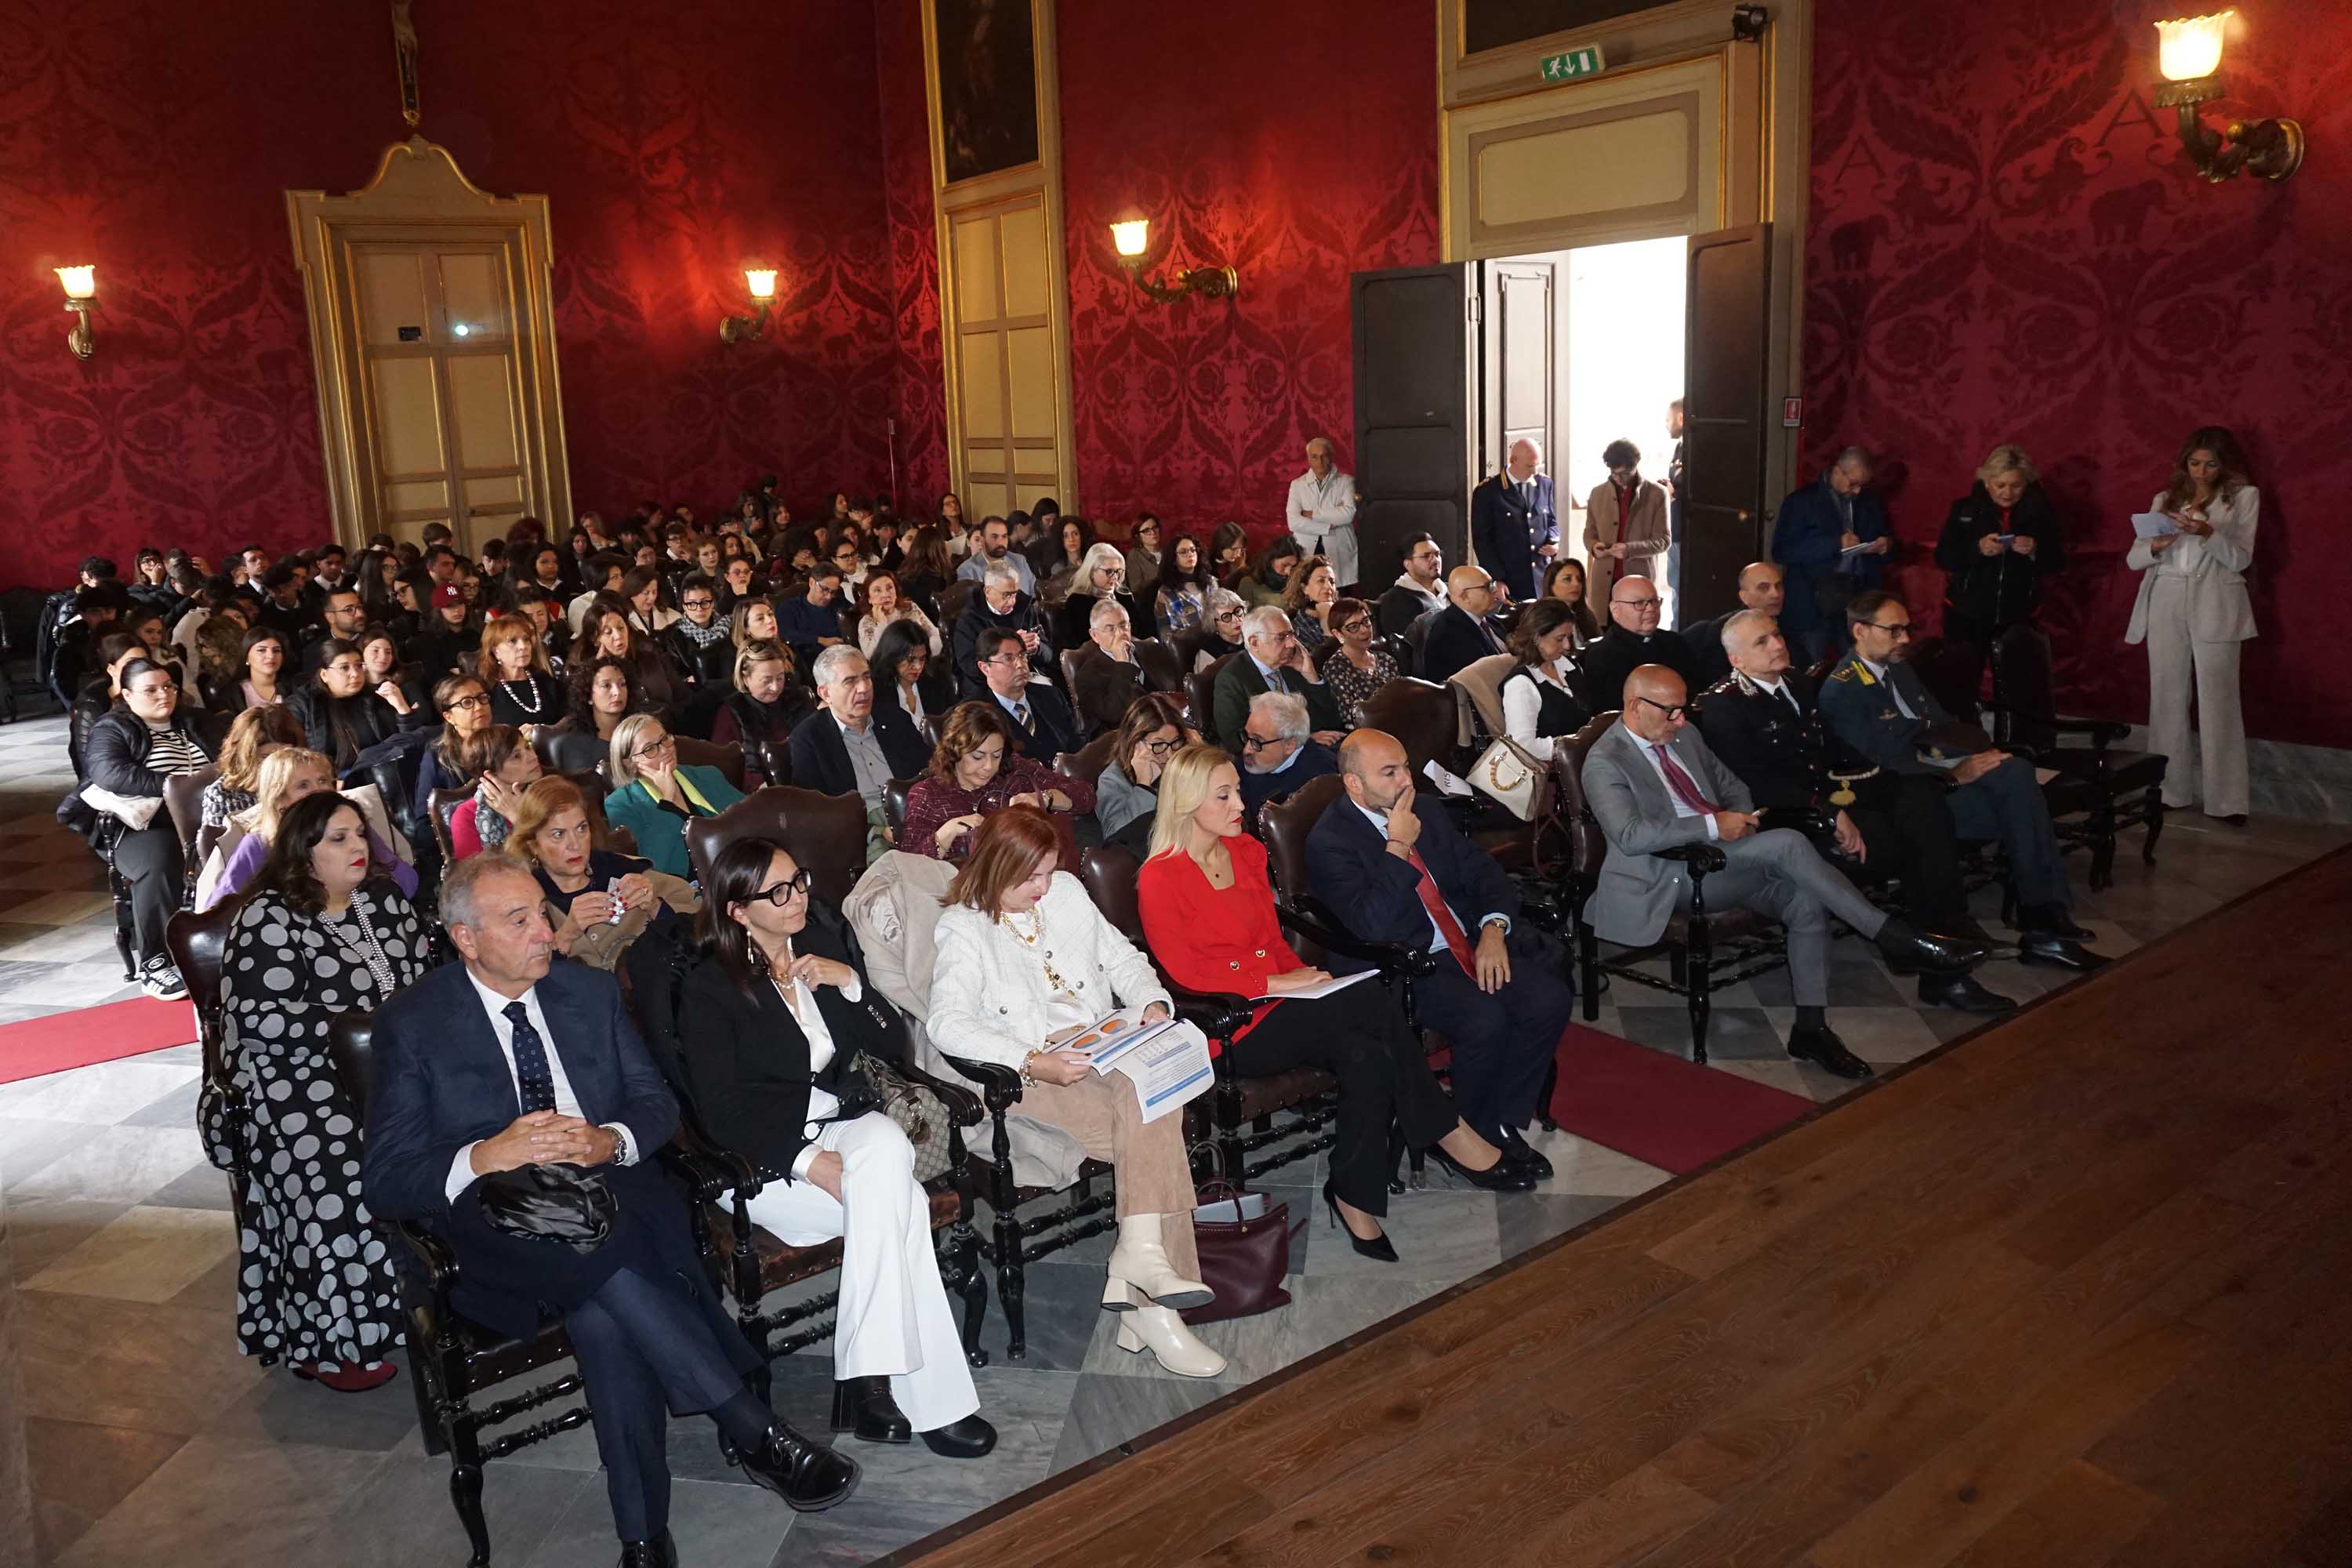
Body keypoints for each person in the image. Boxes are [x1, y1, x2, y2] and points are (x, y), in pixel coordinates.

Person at [364, 855, 860, 1561]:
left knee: (606, 1306)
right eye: (520, 920)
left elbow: (654, 1104)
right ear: (464, 939)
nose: (546, 930)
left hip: (612, 1194)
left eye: (542, 911)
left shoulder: (585, 992)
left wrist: (610, 1141)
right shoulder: (414, 1024)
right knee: (616, 1271)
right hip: (499, 1220)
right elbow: (385, 1178)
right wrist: (485, 1156)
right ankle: (750, 1427)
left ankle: (644, 1538)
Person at [1138, 747, 1528, 1260]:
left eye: (1238, 789)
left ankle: (1352, 1195)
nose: (1241, 803)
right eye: (1226, 795)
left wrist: (1303, 975)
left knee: (1364, 1052)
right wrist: (1279, 983)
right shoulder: (1160, 877)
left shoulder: (1246, 853)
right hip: (1232, 1027)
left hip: (1288, 1006)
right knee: (1369, 996)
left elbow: (1272, 939)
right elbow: (1187, 974)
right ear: (1189, 803)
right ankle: (1450, 1133)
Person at [674, 839, 996, 1455]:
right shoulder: (710, 988)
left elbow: (894, 1046)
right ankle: (930, 1403)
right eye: (779, 892)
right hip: (767, 1162)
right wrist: (804, 1161)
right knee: (896, 1200)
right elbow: (720, 1112)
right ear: (739, 911)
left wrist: (850, 983)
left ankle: (869, 1381)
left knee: (882, 1143)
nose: (798, 897)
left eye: (799, 881)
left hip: (843, 1130)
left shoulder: (815, 953)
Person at [927, 808, 1228, 1377]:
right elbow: (948, 1023)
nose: (1044, 888)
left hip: (1102, 1044)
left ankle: (1139, 1269)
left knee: (1150, 1102)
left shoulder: (1065, 892)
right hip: (1036, 1068)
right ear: (994, 868)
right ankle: (1150, 1298)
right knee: (1155, 1122)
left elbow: (1122, 958)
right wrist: (1031, 1059)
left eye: (1048, 873)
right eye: (1030, 878)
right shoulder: (964, 927)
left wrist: (1151, 1003)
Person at [1583, 665, 1989, 1079]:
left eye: (1683, 710)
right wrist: (1712, 826)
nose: (1681, 720)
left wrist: (1741, 820)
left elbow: (1733, 784)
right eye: (1671, 712)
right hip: (1673, 874)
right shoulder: (1606, 760)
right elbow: (1630, 836)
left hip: (1728, 855)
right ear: (1635, 706)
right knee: (1790, 843)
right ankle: (1895, 936)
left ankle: (1811, 1029)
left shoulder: (1684, 735)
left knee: (1806, 901)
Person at [1696, 609, 2014, 1013]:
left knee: (1921, 798)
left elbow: (1831, 748)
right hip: (1785, 815)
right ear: (1736, 660)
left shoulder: (1795, 681)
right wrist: (1828, 811)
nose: (1778, 644)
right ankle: (1940, 965)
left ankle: (1946, 934)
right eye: (1762, 642)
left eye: (1776, 634)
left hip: (1829, 791)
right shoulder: (1726, 706)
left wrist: (1883, 775)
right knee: (1906, 838)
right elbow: (1755, 783)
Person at [220, 790, 430, 1392]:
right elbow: (261, 1023)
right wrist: (365, 1027)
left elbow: (420, 983)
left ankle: (442, 1299)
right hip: (295, 1080)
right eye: (338, 839)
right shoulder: (268, 917)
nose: (359, 847)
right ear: (302, 852)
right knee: (342, 1172)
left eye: (360, 834)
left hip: (392, 1069)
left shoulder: (385, 902)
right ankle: (333, 1341)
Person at [1309, 729, 1573, 1159]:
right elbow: (1371, 926)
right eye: (1390, 773)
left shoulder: (1427, 810)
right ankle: (1468, 1139)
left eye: (1406, 768)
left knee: (1548, 1000)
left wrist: (1493, 929)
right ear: (1354, 783)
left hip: (1464, 943)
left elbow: (1483, 873)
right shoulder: (1331, 841)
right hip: (1399, 966)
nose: (1406, 782)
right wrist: (1398, 845)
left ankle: (1501, 1121)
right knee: (1484, 1018)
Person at [1819, 591, 2107, 970]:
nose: (1905, 639)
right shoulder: (1843, 690)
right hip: (1912, 796)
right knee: (2020, 802)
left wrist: (1973, 757)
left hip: (1937, 772)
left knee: (2015, 773)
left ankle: (2042, 917)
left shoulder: (1899, 669)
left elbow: (1940, 725)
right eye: (1894, 631)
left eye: (1907, 629)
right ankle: (2042, 917)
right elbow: (1886, 767)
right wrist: (1954, 775)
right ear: (1860, 631)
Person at [2125, 426, 2257, 825]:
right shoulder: (2165, 499)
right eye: (2195, 463)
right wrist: (2156, 545)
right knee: (2166, 694)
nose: (2201, 471)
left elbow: (2241, 558)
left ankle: (2228, 800)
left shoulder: (2244, 496)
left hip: (2216, 599)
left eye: (2210, 464)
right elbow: (2134, 559)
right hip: (2165, 597)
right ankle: (2169, 789)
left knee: (2219, 699)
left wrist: (2206, 531)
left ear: (2224, 464)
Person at [84, 658, 215, 998]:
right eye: (151, 690)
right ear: (127, 695)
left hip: (209, 817)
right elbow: (110, 773)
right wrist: (180, 788)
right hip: (142, 825)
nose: (164, 695)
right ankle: (155, 961)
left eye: (169, 687)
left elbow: (230, 758)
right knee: (160, 862)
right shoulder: (112, 728)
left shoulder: (193, 720)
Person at [503, 775, 694, 971]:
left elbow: (697, 926)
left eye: (581, 829)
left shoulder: (621, 869)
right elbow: (520, 977)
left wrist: (655, 905)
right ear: (533, 845)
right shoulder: (524, 901)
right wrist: (566, 935)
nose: (575, 844)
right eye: (558, 834)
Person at [199, 746, 417, 912]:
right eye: (303, 786)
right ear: (279, 799)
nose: (320, 791)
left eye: (323, 781)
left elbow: (407, 884)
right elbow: (217, 912)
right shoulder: (258, 845)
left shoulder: (355, 831)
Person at [1933, 445, 2066, 675]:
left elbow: (2057, 562)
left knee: (2018, 685)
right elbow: (1943, 557)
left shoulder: (2041, 513)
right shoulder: (1964, 509)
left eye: (2016, 485)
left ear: (2027, 484)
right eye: (2000, 485)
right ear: (1987, 483)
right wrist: (1977, 549)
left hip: (2019, 615)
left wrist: (2035, 550)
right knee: (1960, 680)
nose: (2007, 493)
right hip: (1966, 613)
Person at [903, 702, 1092, 862]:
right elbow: (908, 867)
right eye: (978, 757)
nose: (989, 766)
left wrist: (1044, 798)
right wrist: (945, 834)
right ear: (954, 751)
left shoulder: (1013, 770)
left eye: (996, 755)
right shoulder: (928, 795)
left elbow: (1086, 795)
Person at [790, 647, 932, 857]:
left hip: (911, 815)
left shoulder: (895, 718)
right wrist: (874, 832)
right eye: (850, 682)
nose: (864, 688)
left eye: (866, 677)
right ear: (825, 693)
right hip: (860, 831)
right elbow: (815, 811)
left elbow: (927, 773)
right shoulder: (809, 738)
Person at [1771, 445, 1891, 662]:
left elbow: (1887, 538)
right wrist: (1835, 544)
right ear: (1837, 471)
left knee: (1860, 666)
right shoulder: (1801, 502)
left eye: (1862, 485)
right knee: (1810, 666)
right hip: (1813, 600)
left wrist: (1885, 546)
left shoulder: (1870, 501)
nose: (1857, 491)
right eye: (1853, 484)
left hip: (1857, 599)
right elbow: (1782, 551)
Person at [602, 713, 745, 879]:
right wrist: (667, 801)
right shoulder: (621, 805)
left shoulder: (708, 776)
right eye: (650, 749)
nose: (665, 750)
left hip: (739, 868)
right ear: (630, 763)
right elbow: (653, 868)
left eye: (664, 739)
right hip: (688, 891)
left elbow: (751, 815)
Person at [1210, 605, 1345, 753]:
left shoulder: (1292, 662)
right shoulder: (1231, 680)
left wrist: (1311, 676)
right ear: (1255, 643)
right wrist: (1304, 740)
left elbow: (1332, 721)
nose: (1291, 644)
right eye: (1281, 637)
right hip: (1277, 761)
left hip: (1321, 748)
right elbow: (1236, 742)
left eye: (1292, 634)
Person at [291, 639, 421, 779]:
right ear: (324, 675)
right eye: (344, 668)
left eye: (359, 666)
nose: (355, 673)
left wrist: (402, 709)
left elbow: (410, 746)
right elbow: (293, 758)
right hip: (331, 783)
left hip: (382, 776)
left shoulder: (375, 697)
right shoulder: (303, 705)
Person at [1579, 575, 1697, 710]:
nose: (1651, 609)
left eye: (1654, 601)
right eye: (1640, 603)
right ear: (1615, 610)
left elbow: (1695, 692)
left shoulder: (1675, 642)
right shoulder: (1602, 656)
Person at [1500, 599, 1595, 761]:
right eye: (1559, 639)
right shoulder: (1521, 685)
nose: (1567, 645)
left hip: (1584, 759)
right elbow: (1522, 746)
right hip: (1557, 774)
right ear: (1536, 637)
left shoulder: (1569, 666)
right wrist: (1575, 743)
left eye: (1569, 637)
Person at [971, 626, 1083, 764]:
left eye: (1022, 655)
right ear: (985, 668)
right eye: (1008, 658)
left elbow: (1077, 745)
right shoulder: (975, 717)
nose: (1020, 664)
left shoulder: (1050, 695)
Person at [1581, 439, 1671, 607]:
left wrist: (1630, 549)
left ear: (1635, 466)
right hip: (1603, 582)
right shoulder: (1597, 493)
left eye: (1624, 474)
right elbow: (1589, 532)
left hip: (1639, 579)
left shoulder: (1657, 494)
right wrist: (1593, 546)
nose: (1618, 479)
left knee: (1637, 628)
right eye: (1614, 473)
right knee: (1602, 630)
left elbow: (1664, 541)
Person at [1468, 437, 1559, 601]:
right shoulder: (1488, 491)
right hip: (1511, 581)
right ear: (1513, 460)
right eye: (1530, 466)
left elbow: (1551, 520)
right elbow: (1482, 541)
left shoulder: (1544, 483)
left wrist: (1553, 542)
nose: (1535, 472)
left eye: (1538, 465)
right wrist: (1497, 578)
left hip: (1542, 578)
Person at [1094, 693, 1188, 848]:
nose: (1170, 755)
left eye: (1176, 742)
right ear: (1135, 743)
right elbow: (1115, 834)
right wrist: (1143, 785)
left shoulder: (1182, 762)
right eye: (1159, 745)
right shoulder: (1112, 779)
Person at [710, 641, 811, 783]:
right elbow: (726, 767)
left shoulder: (798, 698)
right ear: (746, 678)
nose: (776, 687)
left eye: (780, 678)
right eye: (767, 680)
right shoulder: (731, 712)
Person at [1236, 691, 1339, 825]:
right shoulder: (1244, 764)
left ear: (1290, 745)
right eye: (1247, 736)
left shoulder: (1319, 784)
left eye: (1257, 741)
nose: (1247, 749)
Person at [1680, 561, 1787, 690]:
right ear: (1744, 596)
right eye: (1764, 587)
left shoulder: (1789, 624)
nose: (1775, 594)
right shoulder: (1725, 631)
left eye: (1778, 586)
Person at [951, 561, 1052, 694]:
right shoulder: (969, 619)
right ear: (988, 591)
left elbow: (1049, 656)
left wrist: (1036, 648)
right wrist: (1009, 652)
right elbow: (970, 667)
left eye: (1015, 593)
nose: (1013, 601)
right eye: (1006, 595)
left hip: (1028, 679)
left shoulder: (1025, 608)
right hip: (988, 687)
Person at [202, 703, 307, 829]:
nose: (278, 765)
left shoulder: (307, 783)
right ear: (245, 757)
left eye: (286, 755)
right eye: (266, 757)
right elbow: (219, 847)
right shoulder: (222, 795)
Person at [449, 724, 545, 862]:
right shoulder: (467, 816)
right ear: (490, 772)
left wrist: (518, 817)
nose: (533, 757)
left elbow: (562, 851)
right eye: (517, 756)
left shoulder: (550, 791)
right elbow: (475, 877)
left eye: (528, 747)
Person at [412, 674, 495, 823]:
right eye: (466, 702)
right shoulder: (436, 757)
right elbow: (425, 819)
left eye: (482, 698)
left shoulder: (507, 738)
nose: (479, 707)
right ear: (449, 717)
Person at [1283, 437, 1360, 586]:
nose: (1320, 461)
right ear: (1308, 459)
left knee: (1339, 596)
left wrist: (1312, 515)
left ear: (1331, 457)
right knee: (1310, 592)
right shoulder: (1298, 485)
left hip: (1340, 547)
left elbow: (1348, 514)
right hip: (1307, 548)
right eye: (1315, 457)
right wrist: (1328, 524)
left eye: (1324, 456)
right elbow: (1293, 523)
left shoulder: (1346, 482)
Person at [1420, 565, 1510, 686]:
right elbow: (1486, 676)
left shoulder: (1490, 622)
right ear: (1465, 596)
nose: (1495, 590)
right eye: (1487, 587)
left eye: (1492, 584)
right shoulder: (1449, 634)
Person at [1069, 597, 1146, 736]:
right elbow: (1116, 715)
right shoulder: (1088, 675)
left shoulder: (1150, 650)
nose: (1120, 634)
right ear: (1094, 635)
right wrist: (1123, 663)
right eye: (1110, 629)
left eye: (1124, 626)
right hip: (1126, 737)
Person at [477, 612, 564, 731]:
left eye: (526, 639)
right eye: (512, 641)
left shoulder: (543, 679)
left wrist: (548, 730)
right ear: (495, 650)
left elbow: (572, 715)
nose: (523, 646)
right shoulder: (485, 689)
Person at [1319, 596, 1396, 729]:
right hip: (1366, 734)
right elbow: (1350, 716)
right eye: (1353, 627)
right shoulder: (1336, 667)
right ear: (1338, 634)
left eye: (1366, 621)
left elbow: (1402, 697)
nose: (1364, 630)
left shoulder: (1386, 659)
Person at [1051, 543, 1138, 651]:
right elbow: (1079, 646)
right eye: (1109, 572)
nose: (1115, 578)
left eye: (1117, 572)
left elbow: (1141, 634)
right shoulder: (1077, 602)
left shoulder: (1124, 597)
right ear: (1092, 572)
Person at [869, 619, 944, 732]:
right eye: (910, 660)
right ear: (893, 656)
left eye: (922, 659)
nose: (918, 667)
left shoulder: (935, 678)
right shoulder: (876, 691)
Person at [663, 572, 735, 689]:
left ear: (713, 603)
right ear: (684, 606)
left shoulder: (730, 627)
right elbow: (678, 677)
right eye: (692, 604)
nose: (699, 609)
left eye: (705, 602)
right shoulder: (674, 637)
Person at [855, 568, 943, 658]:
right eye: (878, 590)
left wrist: (919, 653)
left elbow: (935, 635)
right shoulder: (867, 622)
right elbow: (871, 657)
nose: (886, 595)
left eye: (889, 588)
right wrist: (881, 624)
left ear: (896, 593)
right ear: (869, 599)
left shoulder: (910, 608)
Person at [205, 626, 291, 715]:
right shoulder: (231, 694)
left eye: (276, 651)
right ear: (247, 657)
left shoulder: (295, 687)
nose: (271, 656)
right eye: (262, 650)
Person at [1378, 534, 1447, 637]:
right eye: (1426, 556)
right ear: (1408, 564)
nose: (1436, 560)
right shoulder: (1396, 599)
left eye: (1437, 554)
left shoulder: (1451, 589)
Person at [953, 515, 1036, 595]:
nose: (1000, 542)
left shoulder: (1020, 561)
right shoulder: (967, 570)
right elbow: (971, 606)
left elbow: (1035, 594)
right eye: (994, 537)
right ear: (982, 540)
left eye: (1004, 537)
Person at [1152, 535, 1214, 636]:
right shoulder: (1165, 592)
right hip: (1187, 646)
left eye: (1193, 550)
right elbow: (1164, 630)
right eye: (1183, 552)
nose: (1190, 554)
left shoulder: (1211, 582)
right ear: (1173, 558)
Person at [1282, 554, 1341, 657]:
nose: (1329, 586)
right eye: (1321, 581)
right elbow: (1325, 660)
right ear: (1304, 588)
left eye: (1332, 582)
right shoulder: (1299, 627)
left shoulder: (1344, 614)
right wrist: (1326, 622)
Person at [1540, 556, 1601, 649]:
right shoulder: (1541, 618)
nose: (1576, 584)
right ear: (1551, 584)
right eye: (1567, 579)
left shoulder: (1587, 616)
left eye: (1579, 579)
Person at [1236, 537, 1303, 611]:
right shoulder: (1248, 583)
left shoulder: (1295, 583)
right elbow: (1243, 616)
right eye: (1285, 565)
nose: (1289, 572)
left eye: (1293, 566)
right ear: (1271, 561)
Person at [1192, 588, 1247, 671]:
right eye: (1226, 617)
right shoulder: (1208, 653)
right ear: (1214, 624)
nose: (1236, 620)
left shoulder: (1253, 634)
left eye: (1238, 611)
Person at [1122, 514, 1163, 601]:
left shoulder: (1169, 552)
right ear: (1138, 536)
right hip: (1148, 604)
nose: (1153, 532)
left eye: (1155, 527)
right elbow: (1136, 588)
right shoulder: (1135, 556)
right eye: (1146, 531)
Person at [1208, 520, 1252, 590]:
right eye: (1233, 549)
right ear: (1220, 546)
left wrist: (1242, 569)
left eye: (1240, 548)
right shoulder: (1208, 563)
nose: (1238, 554)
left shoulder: (1243, 556)